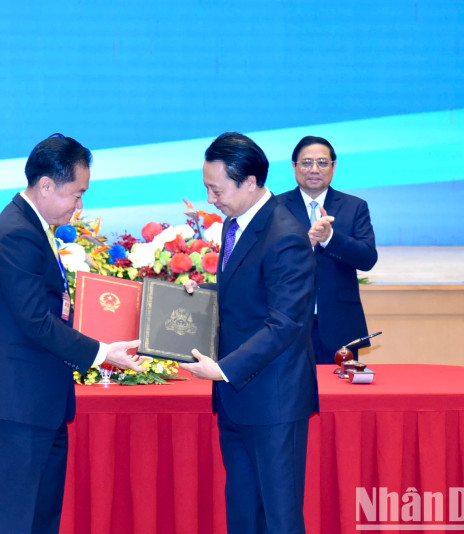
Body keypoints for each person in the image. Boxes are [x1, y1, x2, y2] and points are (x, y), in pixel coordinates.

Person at [0, 134, 144, 534]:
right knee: (12, 521)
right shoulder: (16, 233)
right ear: (46, 185)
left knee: (40, 519)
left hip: (37, 404)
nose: (80, 205)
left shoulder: (32, 225)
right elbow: (35, 321)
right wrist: (102, 352)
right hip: (17, 406)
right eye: (76, 194)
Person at [181, 132, 318, 533]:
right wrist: (200, 294)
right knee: (243, 512)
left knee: (279, 517)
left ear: (250, 182)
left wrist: (224, 370)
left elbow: (285, 323)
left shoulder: (285, 235)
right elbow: (244, 291)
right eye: (207, 187)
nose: (210, 198)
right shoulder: (235, 223)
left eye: (216, 188)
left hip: (273, 401)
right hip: (237, 400)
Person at [277, 136, 377, 363]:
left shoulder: (355, 206)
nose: (314, 169)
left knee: (340, 396)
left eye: (322, 162)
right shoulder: (275, 207)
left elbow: (367, 258)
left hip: (340, 325)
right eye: (306, 162)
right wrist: (305, 243)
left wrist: (330, 238)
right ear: (294, 167)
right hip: (288, 323)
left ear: (334, 166)